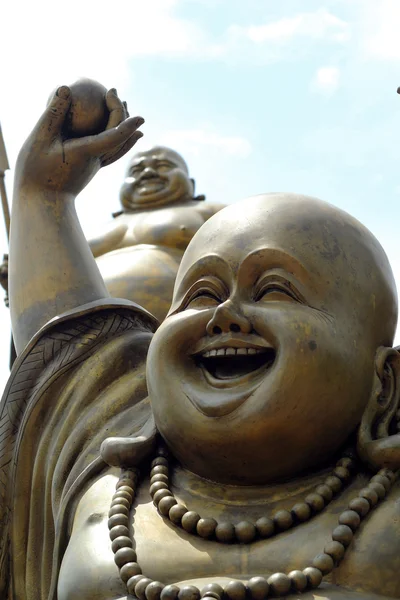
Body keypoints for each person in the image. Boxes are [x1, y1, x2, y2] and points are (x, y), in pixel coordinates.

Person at [0, 85, 399, 600]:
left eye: (274, 290)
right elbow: (70, 349)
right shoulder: (112, 471)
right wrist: (41, 196)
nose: (225, 316)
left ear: (386, 383)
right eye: (202, 295)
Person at [89, 145, 223, 322]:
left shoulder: (211, 212)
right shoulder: (98, 227)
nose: (148, 173)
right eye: (137, 170)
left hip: (189, 323)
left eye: (163, 166)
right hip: (79, 331)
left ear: (191, 183)